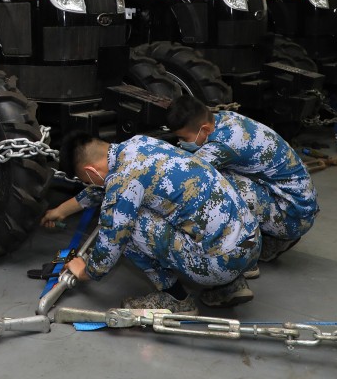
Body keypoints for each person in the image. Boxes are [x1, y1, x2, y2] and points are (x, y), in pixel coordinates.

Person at [41, 131, 260, 313]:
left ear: (89, 171)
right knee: (156, 206)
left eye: (85, 179)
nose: (88, 183)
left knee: (129, 226)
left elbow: (112, 239)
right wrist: (61, 211)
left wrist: (86, 271)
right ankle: (232, 284)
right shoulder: (140, 144)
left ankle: (177, 299)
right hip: (251, 243)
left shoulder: (122, 180)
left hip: (220, 263)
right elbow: (106, 187)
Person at [165, 95, 318, 270]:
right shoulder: (224, 119)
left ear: (205, 129)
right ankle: (268, 237)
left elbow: (183, 177)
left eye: (184, 139)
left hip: (294, 217)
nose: (181, 143)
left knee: (214, 183)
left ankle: (245, 255)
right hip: (298, 202)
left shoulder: (221, 145)